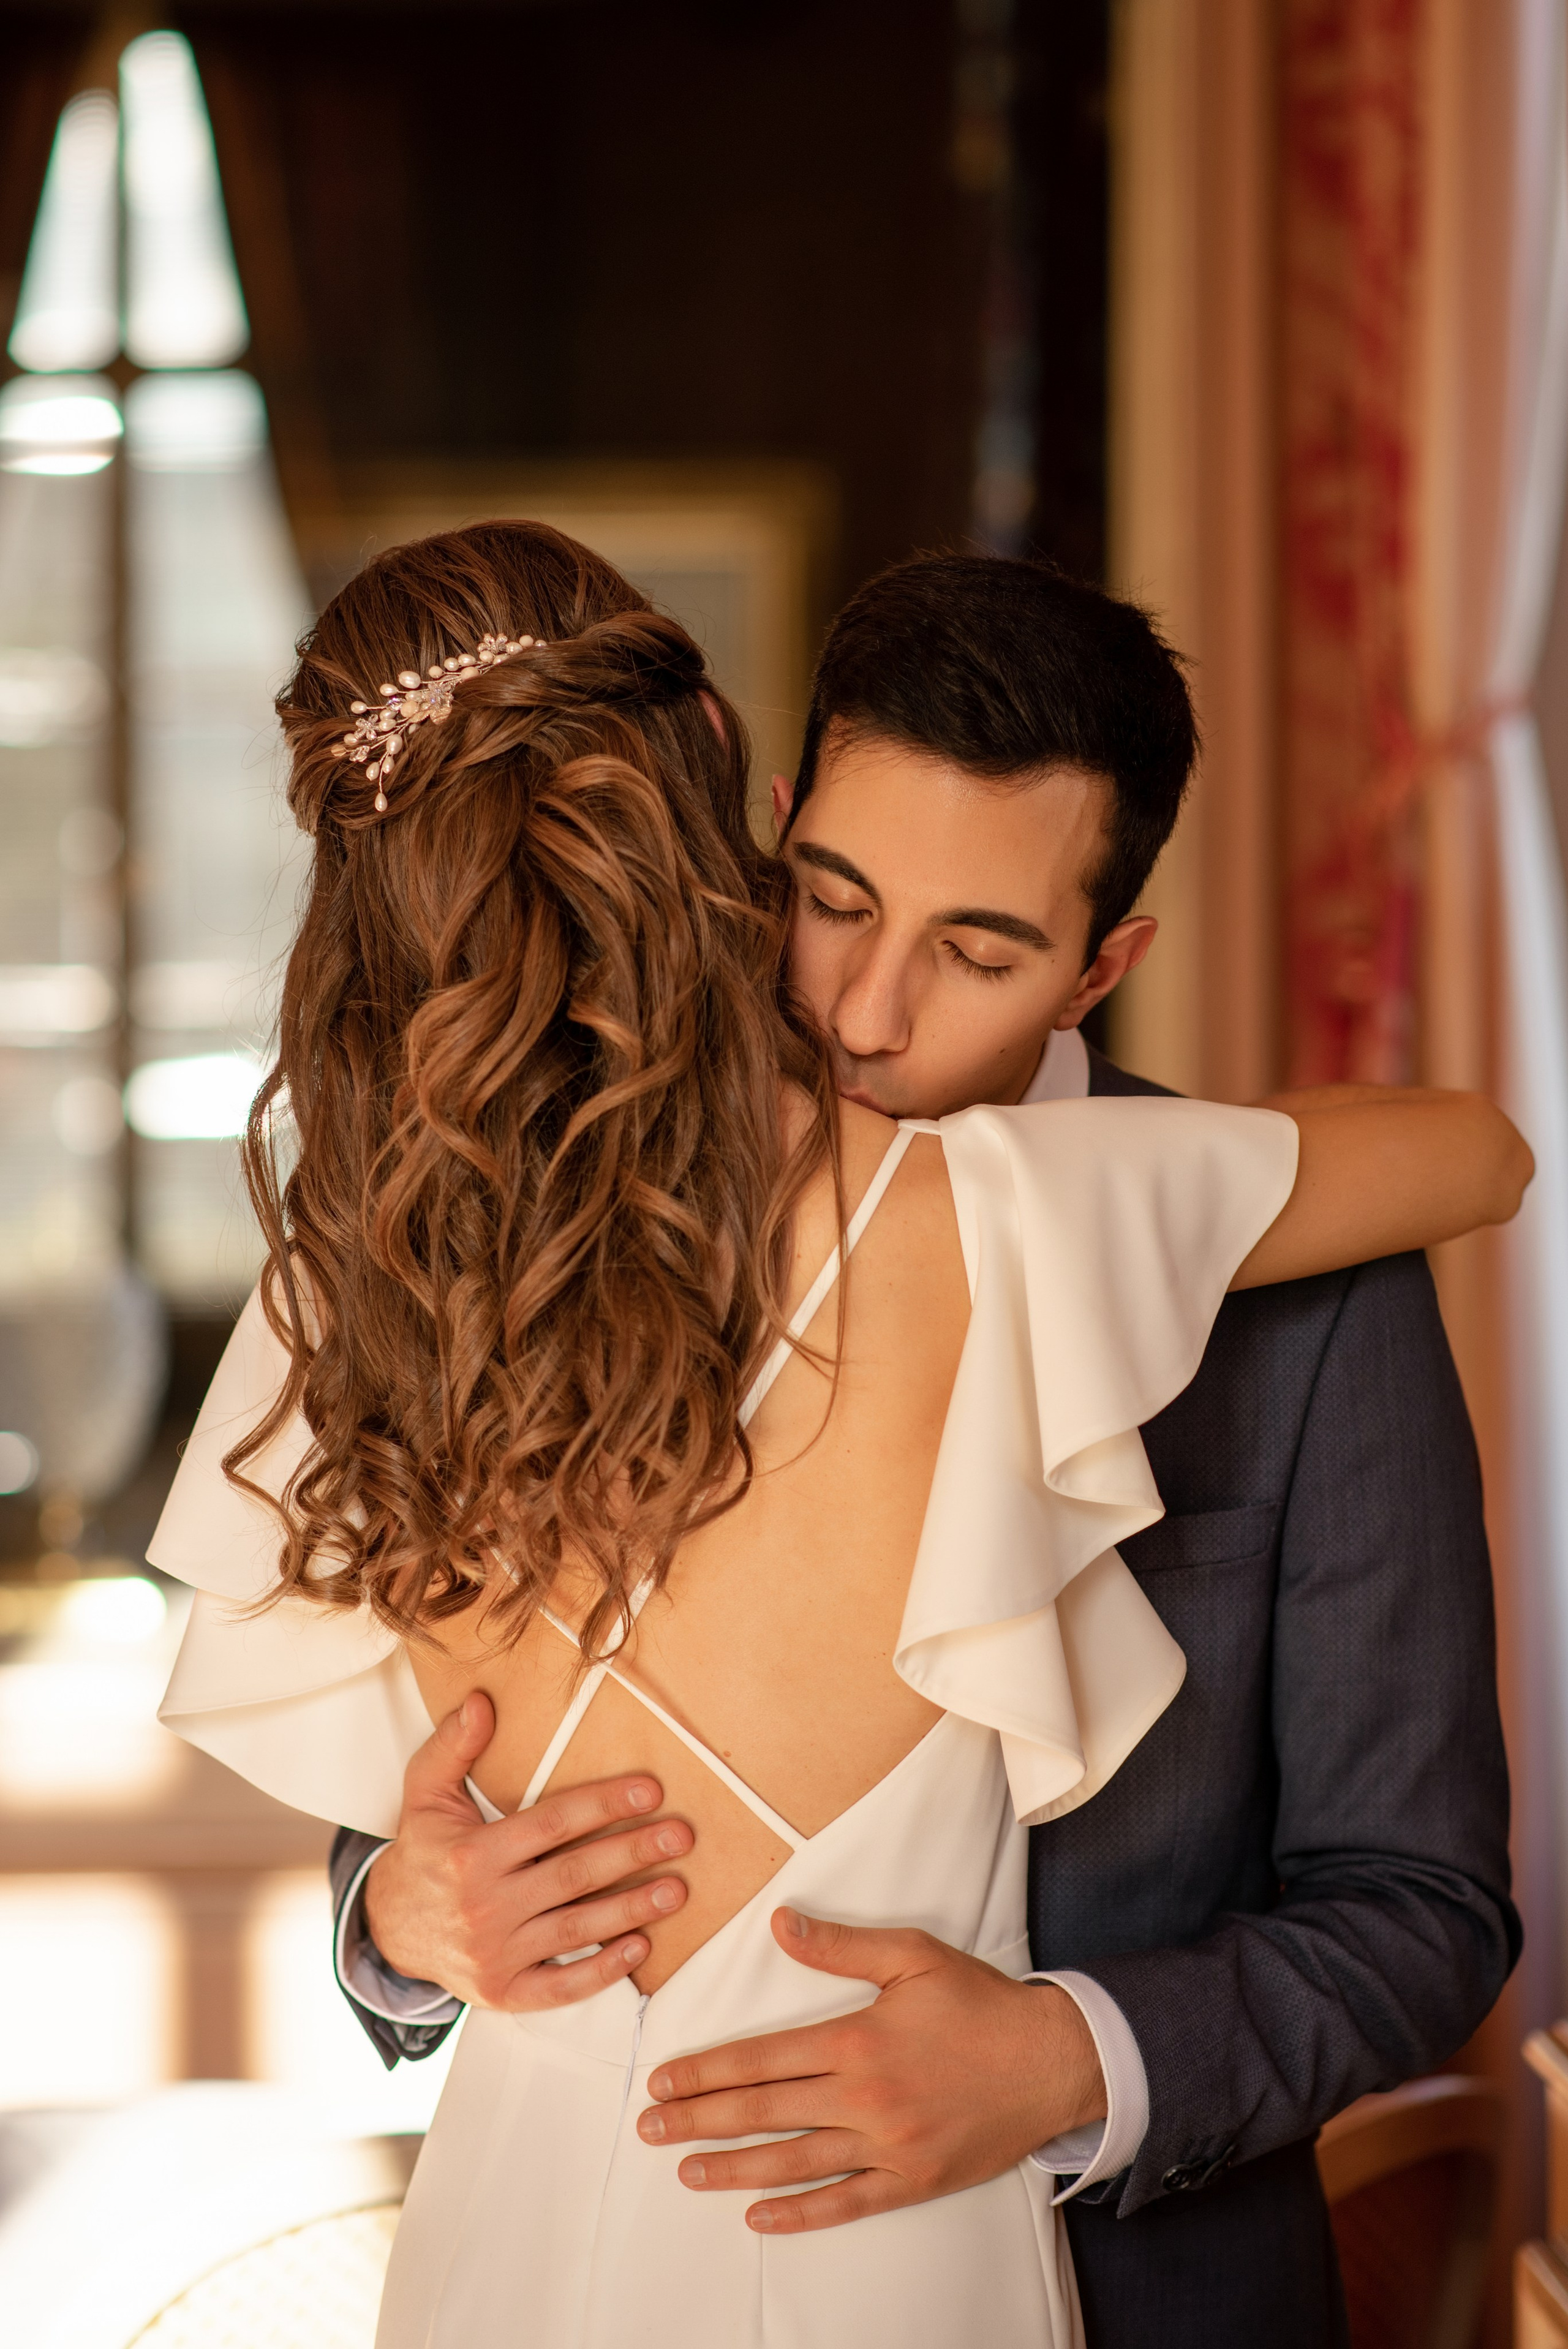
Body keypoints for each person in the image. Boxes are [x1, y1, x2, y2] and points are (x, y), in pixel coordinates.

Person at [151, 526, 1529, 2349]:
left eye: (978, 947)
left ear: (1101, 963)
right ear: (761, 823)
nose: (872, 1012)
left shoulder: (1299, 1290)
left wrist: (1069, 2061)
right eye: (834, 897)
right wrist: (403, 1920)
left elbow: (1422, 1909)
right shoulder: (518, 1230)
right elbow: (451, 1773)